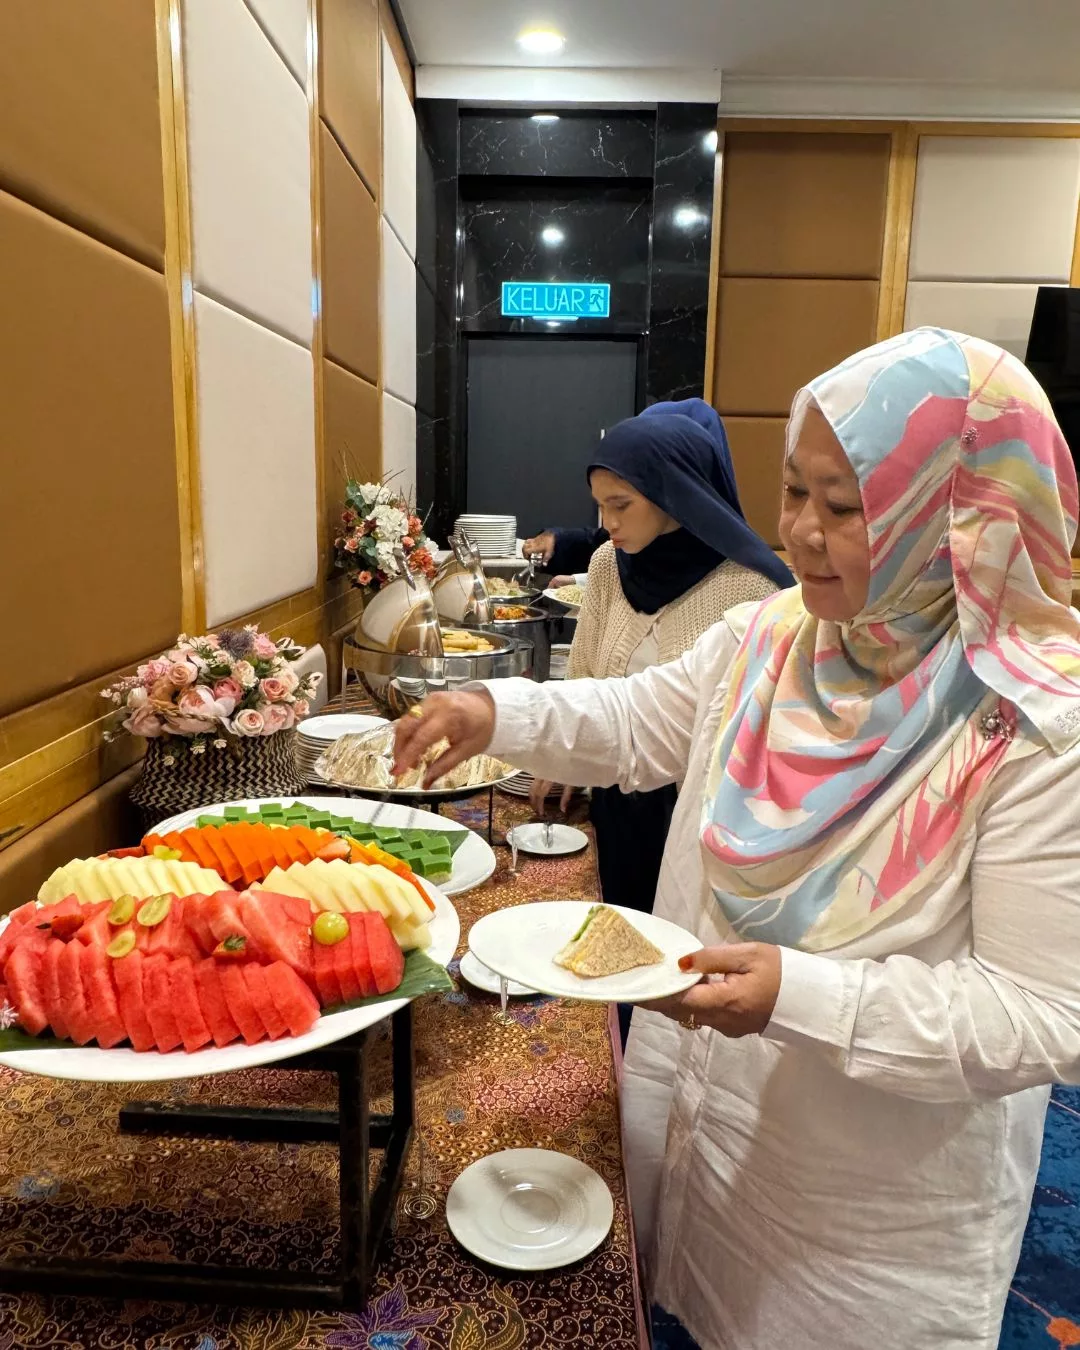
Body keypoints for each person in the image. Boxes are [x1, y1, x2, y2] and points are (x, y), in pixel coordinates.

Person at [393, 328, 1080, 1350]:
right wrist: (496, 711)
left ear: (963, 517)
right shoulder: (772, 640)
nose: (799, 532)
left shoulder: (1032, 723)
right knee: (679, 1307)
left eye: (844, 507)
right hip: (708, 1119)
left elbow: (1038, 1017)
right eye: (793, 492)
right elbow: (636, 719)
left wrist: (797, 996)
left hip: (867, 1215)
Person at [533, 403, 792, 935]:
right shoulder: (608, 564)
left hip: (695, 824)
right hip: (614, 802)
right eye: (600, 506)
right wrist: (562, 754)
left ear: (674, 493)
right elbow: (584, 675)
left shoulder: (754, 589)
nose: (607, 523)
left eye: (621, 504)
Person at [523, 398, 742, 588]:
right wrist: (558, 541)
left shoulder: (743, 587)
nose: (610, 523)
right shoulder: (615, 559)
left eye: (621, 505)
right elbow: (606, 542)